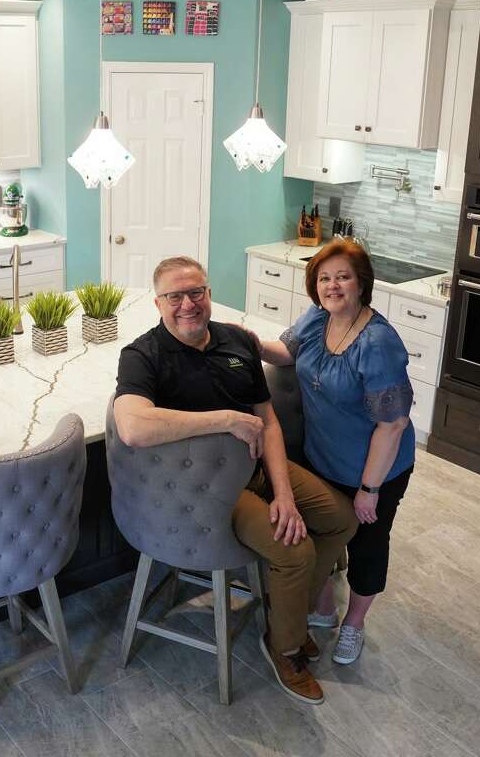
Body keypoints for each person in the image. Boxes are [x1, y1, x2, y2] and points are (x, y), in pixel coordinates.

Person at [113, 256, 357, 704]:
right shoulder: (143, 355)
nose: (188, 304)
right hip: (206, 491)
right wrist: (224, 419)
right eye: (175, 296)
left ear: (208, 294)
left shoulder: (235, 342)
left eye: (196, 292)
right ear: (158, 303)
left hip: (258, 469)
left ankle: (289, 616)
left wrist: (283, 492)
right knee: (294, 550)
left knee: (340, 519)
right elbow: (132, 427)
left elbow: (268, 424)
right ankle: (284, 647)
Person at [250, 238, 414, 665]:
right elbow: (287, 352)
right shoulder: (317, 318)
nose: (332, 286)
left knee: (368, 542)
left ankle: (354, 624)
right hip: (321, 457)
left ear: (362, 284)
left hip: (374, 468)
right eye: (324, 278)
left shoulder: (378, 342)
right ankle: (323, 609)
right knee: (322, 533)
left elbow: (392, 423)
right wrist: (253, 344)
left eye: (343, 277)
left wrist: (370, 489)